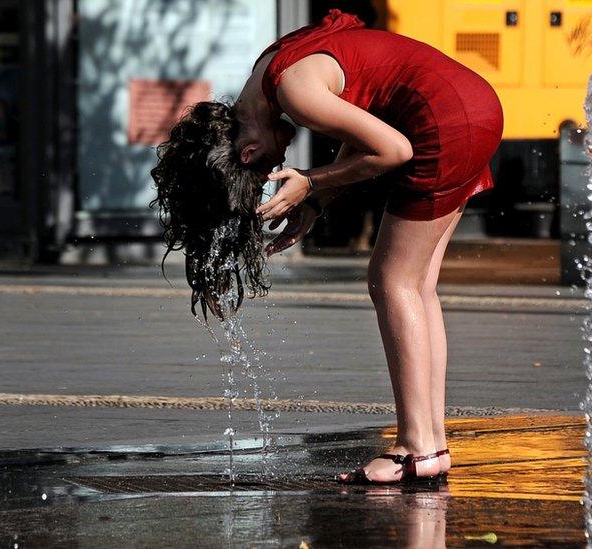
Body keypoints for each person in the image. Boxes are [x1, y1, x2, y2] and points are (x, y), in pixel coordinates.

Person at [151, 10, 503, 484]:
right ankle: (431, 443)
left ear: (248, 154)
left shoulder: (294, 95)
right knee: (417, 285)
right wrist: (315, 203)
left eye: (263, 172)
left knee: (391, 281)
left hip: (444, 122)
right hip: (473, 103)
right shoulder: (270, 71)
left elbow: (393, 151)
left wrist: (311, 183)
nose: (279, 164)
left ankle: (414, 448)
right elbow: (363, 128)